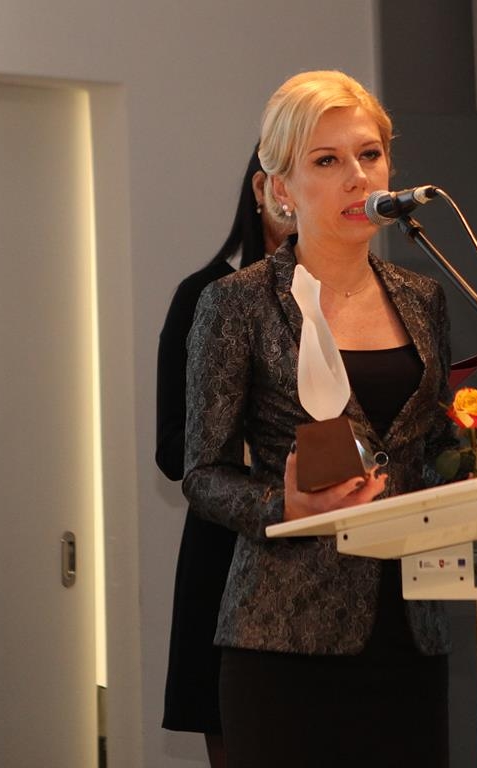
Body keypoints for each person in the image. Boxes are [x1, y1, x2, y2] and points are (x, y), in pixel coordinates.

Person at [183, 70, 461, 768]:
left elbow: (429, 444)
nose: (356, 177)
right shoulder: (236, 303)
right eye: (327, 160)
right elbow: (202, 473)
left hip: (411, 630)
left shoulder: (423, 297)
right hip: (285, 639)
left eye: (370, 155)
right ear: (282, 188)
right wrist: (283, 505)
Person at [156, 145, 294, 768]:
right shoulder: (204, 294)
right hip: (228, 552)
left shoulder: (349, 297)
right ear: (263, 190)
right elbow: (173, 449)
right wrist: (270, 448)